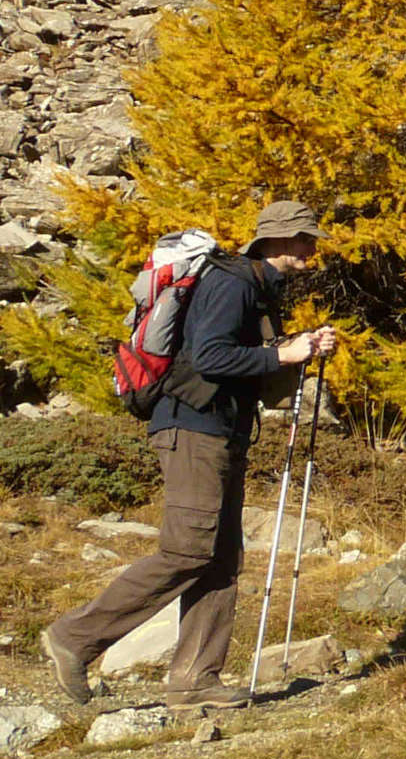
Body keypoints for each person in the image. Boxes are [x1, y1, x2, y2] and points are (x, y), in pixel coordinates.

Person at [41, 200, 337, 710]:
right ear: (279, 239)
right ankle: (74, 637)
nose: (313, 247)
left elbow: (235, 359)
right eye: (306, 238)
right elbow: (210, 355)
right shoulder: (234, 281)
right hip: (192, 429)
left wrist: (299, 348)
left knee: (221, 560)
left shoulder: (259, 287)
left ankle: (197, 678)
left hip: (220, 431)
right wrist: (282, 354)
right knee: (188, 551)